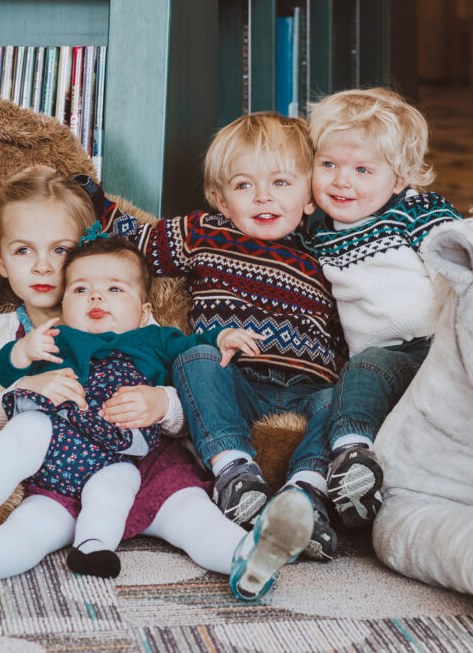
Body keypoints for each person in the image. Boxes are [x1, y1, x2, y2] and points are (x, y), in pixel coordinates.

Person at [0, 166, 312, 608]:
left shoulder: (131, 317)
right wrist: (28, 385)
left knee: (194, 516)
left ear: (82, 250)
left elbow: (191, 397)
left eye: (60, 250)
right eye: (22, 251)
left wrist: (159, 402)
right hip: (58, 473)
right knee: (27, 531)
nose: (42, 266)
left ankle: (249, 558)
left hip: (145, 466)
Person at [77, 112, 343, 561]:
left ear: (311, 196)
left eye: (281, 183)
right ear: (221, 199)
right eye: (244, 186)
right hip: (235, 381)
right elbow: (135, 238)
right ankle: (235, 475)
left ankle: (306, 496)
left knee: (342, 399)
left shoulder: (324, 251)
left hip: (310, 388)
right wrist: (91, 197)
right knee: (195, 358)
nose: (264, 197)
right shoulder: (204, 231)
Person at [302, 87, 461, 528]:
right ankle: (329, 478)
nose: (341, 180)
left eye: (362, 169)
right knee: (332, 395)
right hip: (375, 363)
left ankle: (352, 456)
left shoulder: (416, 212)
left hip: (434, 348)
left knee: (367, 367)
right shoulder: (317, 237)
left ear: (398, 179)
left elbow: (457, 267)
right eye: (328, 164)